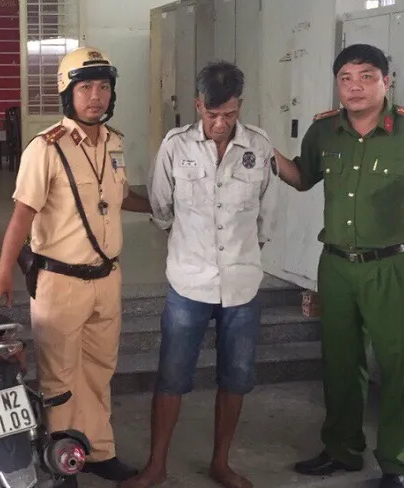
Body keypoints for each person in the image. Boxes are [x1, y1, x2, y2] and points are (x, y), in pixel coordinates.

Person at [270, 44, 404, 488]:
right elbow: (302, 177)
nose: (355, 87)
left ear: (386, 81)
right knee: (340, 363)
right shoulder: (324, 131)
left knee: (397, 366)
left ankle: (396, 464)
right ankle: (342, 449)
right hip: (337, 265)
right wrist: (263, 150)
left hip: (391, 266)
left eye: (366, 76)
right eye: (346, 78)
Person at [0, 46, 151, 487]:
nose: (95, 96)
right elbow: (23, 212)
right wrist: (3, 271)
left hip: (106, 278)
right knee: (59, 377)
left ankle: (98, 451)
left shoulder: (114, 142)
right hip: (60, 280)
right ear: (67, 93)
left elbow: (119, 196)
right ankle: (63, 460)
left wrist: (161, 206)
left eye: (103, 87)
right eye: (85, 87)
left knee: (99, 370)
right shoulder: (46, 148)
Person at [121, 61, 274, 488]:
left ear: (240, 105)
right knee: (172, 376)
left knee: (235, 378)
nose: (220, 124)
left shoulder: (259, 146)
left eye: (229, 114)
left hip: (242, 286)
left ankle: (220, 463)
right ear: (198, 105)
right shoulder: (175, 146)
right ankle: (156, 466)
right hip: (188, 283)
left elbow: (267, 217)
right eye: (212, 114)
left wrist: (241, 256)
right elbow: (161, 209)